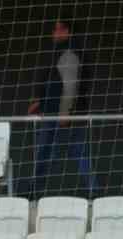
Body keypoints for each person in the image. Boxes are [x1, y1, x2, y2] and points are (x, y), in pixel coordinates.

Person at [26, 19, 95, 197]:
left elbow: (70, 85)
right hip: (55, 111)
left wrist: (65, 112)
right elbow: (53, 82)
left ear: (67, 31)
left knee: (51, 152)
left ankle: (35, 192)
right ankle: (93, 190)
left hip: (61, 114)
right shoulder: (60, 52)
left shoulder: (69, 53)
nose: (54, 33)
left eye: (58, 29)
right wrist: (40, 101)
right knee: (63, 151)